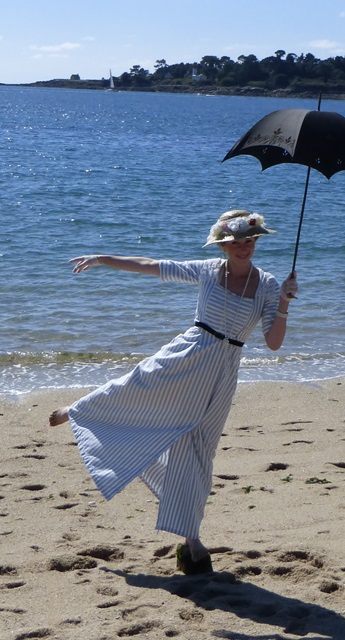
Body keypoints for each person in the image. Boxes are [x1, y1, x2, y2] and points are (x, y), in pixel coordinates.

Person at [49, 209, 298, 573]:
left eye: (249, 241)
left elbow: (273, 343)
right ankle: (79, 410)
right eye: (235, 242)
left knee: (198, 451)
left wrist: (286, 303)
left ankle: (191, 538)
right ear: (223, 245)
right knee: (138, 385)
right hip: (189, 353)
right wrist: (103, 259)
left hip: (223, 372)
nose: (243, 248)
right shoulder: (208, 270)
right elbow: (153, 265)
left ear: (256, 241)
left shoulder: (269, 285)